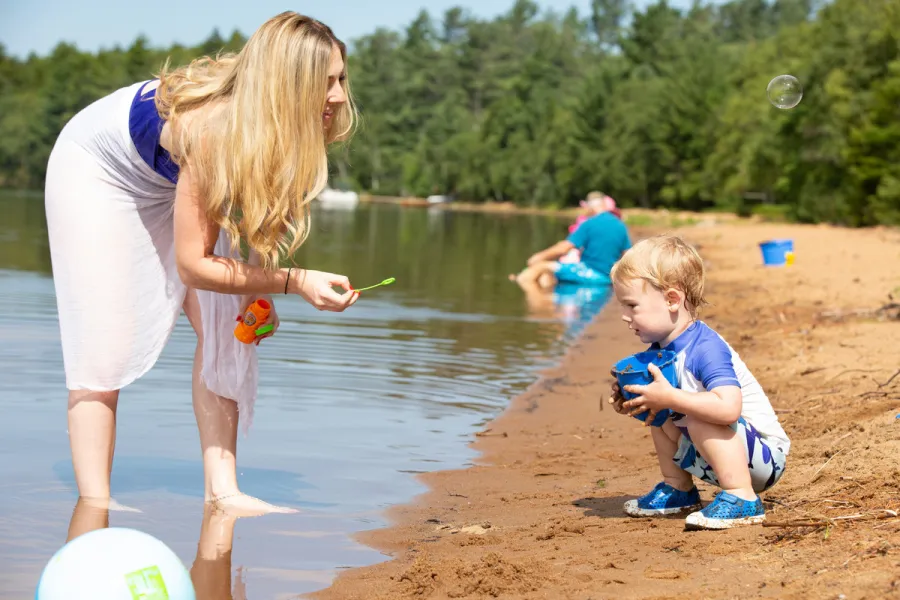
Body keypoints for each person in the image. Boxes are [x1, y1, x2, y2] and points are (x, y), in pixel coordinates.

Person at [43, 12, 359, 516]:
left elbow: (265, 220)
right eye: (326, 82)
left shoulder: (293, 125)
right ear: (287, 84)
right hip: (98, 172)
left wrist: (257, 294)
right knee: (102, 350)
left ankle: (223, 492)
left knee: (230, 328)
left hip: (170, 178)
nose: (339, 96)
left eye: (340, 79)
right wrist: (295, 281)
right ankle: (95, 508)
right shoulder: (214, 129)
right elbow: (194, 266)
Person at [607, 234, 790, 530]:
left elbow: (728, 409)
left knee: (696, 414)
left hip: (764, 458)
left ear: (672, 300)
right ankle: (678, 488)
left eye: (632, 305)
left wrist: (670, 398)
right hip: (719, 455)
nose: (624, 317)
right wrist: (634, 398)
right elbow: (662, 404)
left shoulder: (705, 347)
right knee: (659, 414)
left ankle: (742, 497)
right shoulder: (659, 351)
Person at [510, 191, 630, 290]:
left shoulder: (589, 223)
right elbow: (627, 255)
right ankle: (545, 297)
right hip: (607, 278)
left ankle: (529, 297)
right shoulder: (620, 226)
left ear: (590, 207)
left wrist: (538, 257)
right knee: (546, 274)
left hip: (590, 273)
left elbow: (564, 248)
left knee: (539, 267)